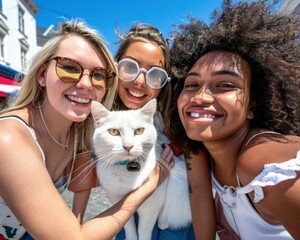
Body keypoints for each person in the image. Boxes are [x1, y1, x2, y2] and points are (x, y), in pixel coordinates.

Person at [0, 20, 173, 240]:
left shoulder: (79, 129)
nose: (85, 84)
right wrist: (147, 187)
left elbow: (79, 201)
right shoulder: (8, 139)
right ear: (42, 74)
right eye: (70, 68)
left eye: (98, 75)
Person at [69, 23, 216, 240]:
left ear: (164, 82)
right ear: (115, 68)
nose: (139, 81)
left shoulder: (175, 118)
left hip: (175, 211)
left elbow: (199, 185)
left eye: (154, 74)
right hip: (126, 209)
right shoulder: (98, 112)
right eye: (130, 67)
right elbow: (82, 170)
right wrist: (74, 225)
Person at [169, 0, 300, 239]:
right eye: (192, 84)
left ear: (252, 107)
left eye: (225, 85)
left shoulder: (262, 165)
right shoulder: (202, 147)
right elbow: (198, 188)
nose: (200, 96)